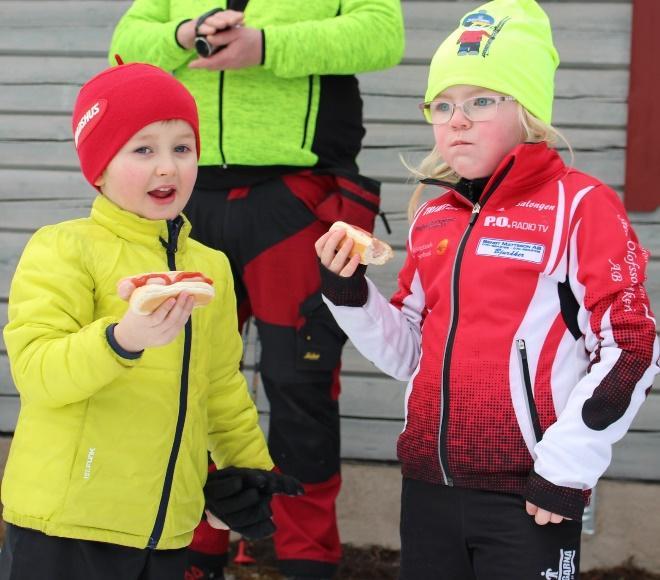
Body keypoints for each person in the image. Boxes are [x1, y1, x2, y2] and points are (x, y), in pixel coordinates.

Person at [315, 1, 660, 578]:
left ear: (528, 111)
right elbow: (409, 354)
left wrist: (565, 469)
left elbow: (631, 346)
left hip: (530, 490)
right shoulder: (434, 218)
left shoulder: (580, 205)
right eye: (443, 104)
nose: (457, 119)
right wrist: (347, 291)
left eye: (481, 101)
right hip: (428, 487)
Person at [109, 2, 404, 578]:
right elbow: (128, 38)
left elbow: (382, 35)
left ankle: (305, 559)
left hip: (293, 196)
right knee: (180, 374)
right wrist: (187, 34)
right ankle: (190, 552)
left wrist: (267, 47)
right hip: (185, 196)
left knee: (301, 380)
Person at [0, 62, 302, 580]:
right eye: (143, 149)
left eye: (182, 148)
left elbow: (221, 384)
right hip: (69, 525)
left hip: (166, 528)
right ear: (98, 166)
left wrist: (247, 467)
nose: (168, 168)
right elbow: (38, 372)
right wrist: (121, 340)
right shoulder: (65, 248)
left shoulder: (209, 267)